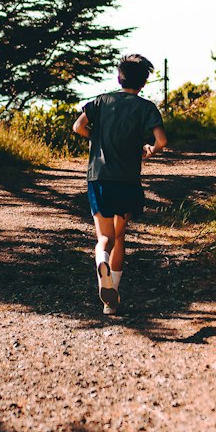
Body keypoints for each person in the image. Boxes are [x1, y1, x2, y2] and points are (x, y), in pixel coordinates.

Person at [73, 53, 168, 315]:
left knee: (105, 237)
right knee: (120, 235)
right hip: (127, 180)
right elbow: (161, 141)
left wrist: (97, 138)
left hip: (99, 177)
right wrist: (148, 150)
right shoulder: (146, 107)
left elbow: (78, 126)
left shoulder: (101, 101)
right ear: (144, 83)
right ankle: (111, 299)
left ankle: (101, 262)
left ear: (119, 77)